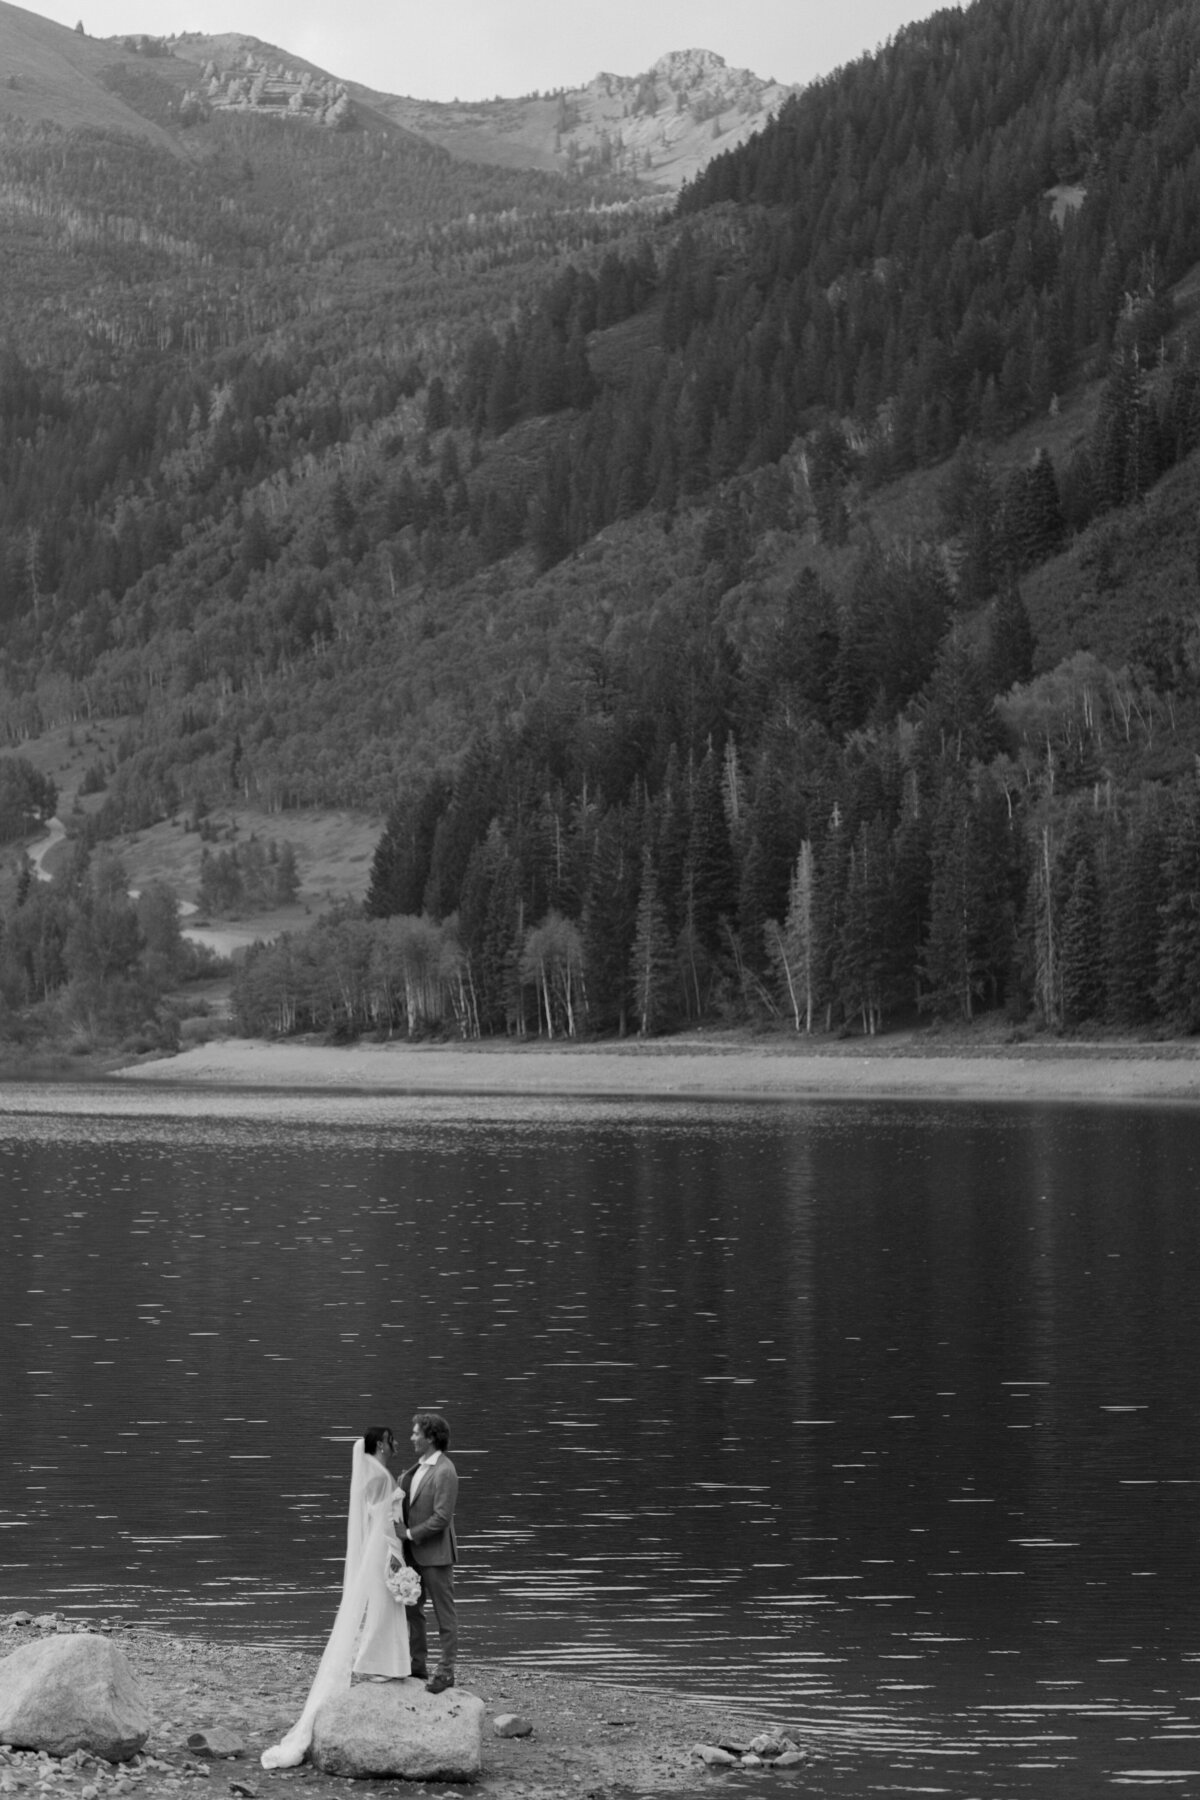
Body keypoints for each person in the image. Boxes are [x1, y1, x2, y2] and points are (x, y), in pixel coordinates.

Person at [261, 1426, 410, 1770]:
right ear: (380, 1444)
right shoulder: (377, 1473)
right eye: (391, 1439)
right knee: (385, 1606)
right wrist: (394, 1553)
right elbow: (380, 1517)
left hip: (383, 1546)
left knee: (386, 1606)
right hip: (383, 1547)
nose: (396, 1443)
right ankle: (381, 1661)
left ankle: (385, 1661)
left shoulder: (374, 1470)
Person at [395, 1411, 458, 1692]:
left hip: (436, 1555)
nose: (412, 1437)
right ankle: (416, 1665)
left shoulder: (446, 1470)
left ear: (430, 1437)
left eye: (416, 1433)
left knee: (444, 1615)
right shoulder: (417, 1467)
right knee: (412, 1610)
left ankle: (445, 1673)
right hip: (412, 1554)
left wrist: (409, 1533)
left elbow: (442, 1517)